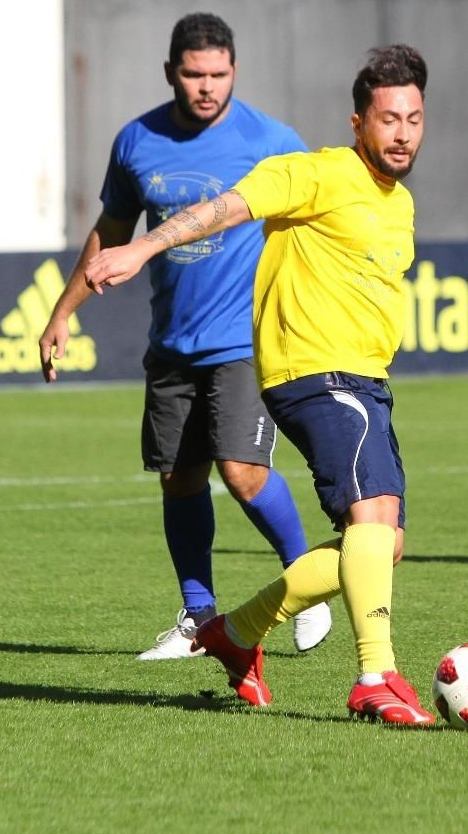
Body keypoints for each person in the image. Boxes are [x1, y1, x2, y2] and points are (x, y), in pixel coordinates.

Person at [84, 44, 434, 725]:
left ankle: (236, 633)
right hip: (317, 374)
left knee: (380, 542)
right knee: (370, 518)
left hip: (367, 382)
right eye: (388, 119)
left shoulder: (400, 204)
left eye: (413, 119)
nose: (402, 133)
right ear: (359, 122)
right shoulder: (315, 172)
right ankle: (378, 676)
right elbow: (224, 208)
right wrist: (144, 246)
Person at [40, 13, 331, 659]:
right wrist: (63, 312)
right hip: (172, 345)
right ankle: (200, 619)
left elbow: (320, 218)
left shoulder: (273, 141)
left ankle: (306, 585)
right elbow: (111, 232)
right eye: (195, 74)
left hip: (246, 342)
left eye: (218, 74)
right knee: (179, 479)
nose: (207, 87)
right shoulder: (137, 141)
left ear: (235, 71)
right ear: (171, 72)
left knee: (243, 473)